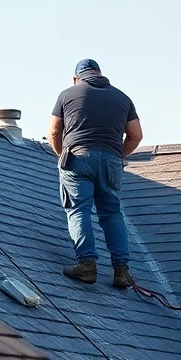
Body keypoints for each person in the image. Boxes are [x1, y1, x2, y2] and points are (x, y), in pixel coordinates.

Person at [48, 58, 143, 289]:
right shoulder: (123, 98)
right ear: (100, 73)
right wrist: (118, 156)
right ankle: (121, 271)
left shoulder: (67, 94)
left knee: (78, 209)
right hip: (111, 161)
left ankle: (87, 264)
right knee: (112, 213)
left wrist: (62, 155)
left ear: (76, 78)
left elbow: (54, 131)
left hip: (77, 158)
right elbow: (136, 135)